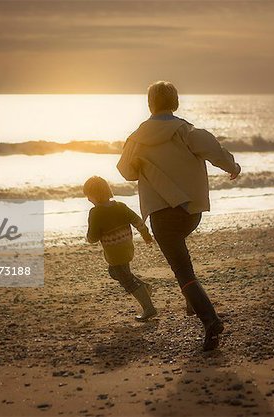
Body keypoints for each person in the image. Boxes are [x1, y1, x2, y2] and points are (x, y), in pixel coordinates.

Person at [117, 81, 241, 351]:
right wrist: (233, 167)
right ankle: (192, 298)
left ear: (150, 104)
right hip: (190, 212)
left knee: (182, 272)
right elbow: (214, 150)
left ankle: (210, 321)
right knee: (183, 260)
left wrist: (140, 163)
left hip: (162, 215)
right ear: (175, 103)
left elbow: (126, 171)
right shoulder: (186, 131)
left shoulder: (135, 139)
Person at [83, 175, 157, 321]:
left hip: (115, 252)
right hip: (127, 247)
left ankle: (149, 308)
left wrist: (89, 239)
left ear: (95, 195)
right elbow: (137, 220)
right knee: (115, 272)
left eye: (88, 196)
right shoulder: (121, 206)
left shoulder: (96, 212)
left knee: (126, 279)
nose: (88, 199)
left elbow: (93, 236)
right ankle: (144, 288)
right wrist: (146, 235)